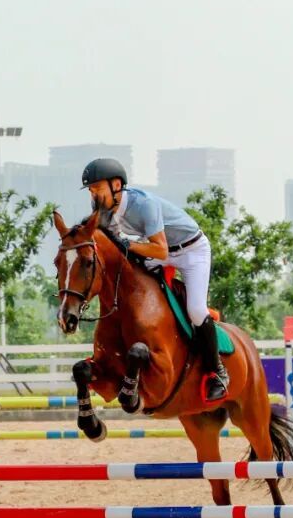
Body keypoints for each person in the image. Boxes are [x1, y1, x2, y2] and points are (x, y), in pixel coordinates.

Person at [80, 157, 227, 402]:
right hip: (160, 251)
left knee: (196, 310)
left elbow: (160, 250)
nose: (93, 195)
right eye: (90, 190)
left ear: (116, 185)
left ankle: (217, 372)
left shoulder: (143, 205)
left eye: (97, 188)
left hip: (191, 251)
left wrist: (126, 245)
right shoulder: (105, 209)